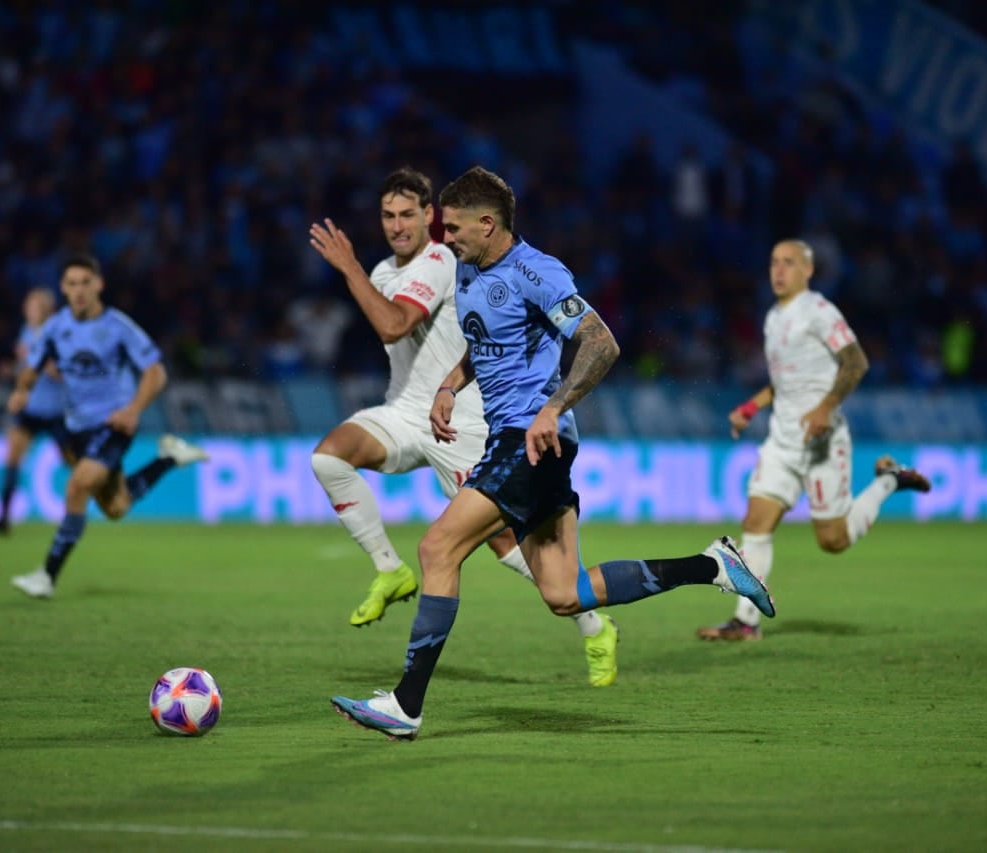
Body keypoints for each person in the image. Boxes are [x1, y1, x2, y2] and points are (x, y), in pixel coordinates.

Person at [330, 167, 775, 740]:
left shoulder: (536, 272)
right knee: (565, 594)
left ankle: (405, 705)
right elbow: (483, 338)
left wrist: (551, 406)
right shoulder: (468, 268)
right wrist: (448, 385)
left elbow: (601, 342)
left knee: (437, 548)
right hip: (516, 437)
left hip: (532, 437)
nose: (446, 237)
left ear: (488, 224)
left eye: (455, 227)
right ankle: (713, 565)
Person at [307, 168, 620, 688]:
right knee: (329, 457)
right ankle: (390, 570)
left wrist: (348, 269)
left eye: (410, 214)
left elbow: (391, 325)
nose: (398, 225)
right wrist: (445, 386)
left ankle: (592, 620)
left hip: (470, 424)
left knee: (503, 546)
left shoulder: (440, 262)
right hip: (411, 409)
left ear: (431, 217)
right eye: (388, 215)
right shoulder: (392, 269)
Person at [697, 239, 930, 642]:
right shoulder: (772, 318)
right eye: (774, 262)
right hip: (782, 442)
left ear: (808, 270)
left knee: (833, 540)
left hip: (823, 442)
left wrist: (825, 408)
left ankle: (889, 480)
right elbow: (784, 381)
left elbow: (856, 362)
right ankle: (745, 621)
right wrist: (752, 407)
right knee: (756, 523)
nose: (779, 270)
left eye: (788, 263)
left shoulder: (820, 312)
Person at [8, 253, 208, 599]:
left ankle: (47, 576)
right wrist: (23, 390)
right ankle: (169, 458)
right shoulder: (56, 327)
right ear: (63, 288)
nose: (79, 290)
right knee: (115, 507)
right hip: (77, 428)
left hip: (114, 422)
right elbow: (33, 364)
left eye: (86, 282)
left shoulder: (118, 326)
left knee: (77, 486)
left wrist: (133, 410)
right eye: (72, 284)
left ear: (99, 284)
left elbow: (156, 372)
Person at [0, 288, 72, 534]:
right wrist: (11, 369)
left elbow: (59, 373)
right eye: (28, 306)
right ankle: (2, 518)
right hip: (31, 409)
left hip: (55, 410)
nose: (29, 310)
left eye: (34, 306)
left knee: (72, 462)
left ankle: (81, 509)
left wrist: (36, 356)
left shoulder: (57, 335)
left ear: (45, 310)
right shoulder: (26, 332)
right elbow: (26, 369)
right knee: (12, 458)